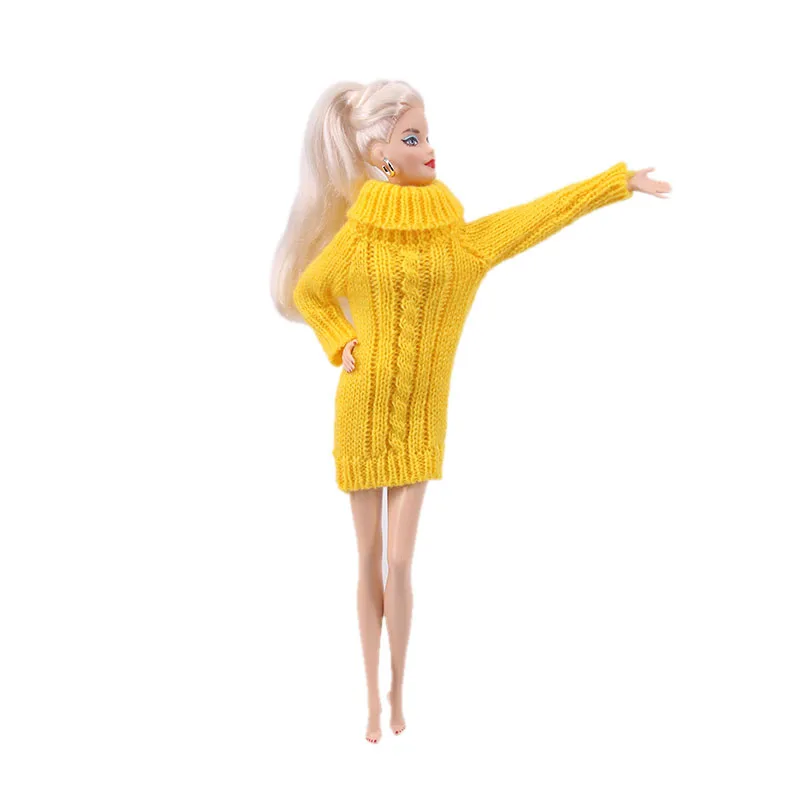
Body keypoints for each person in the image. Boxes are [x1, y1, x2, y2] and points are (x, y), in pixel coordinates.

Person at [271, 79, 672, 744]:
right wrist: (340, 341)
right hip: (361, 414)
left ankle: (398, 692)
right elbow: (309, 291)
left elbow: (536, 218)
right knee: (367, 558)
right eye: (412, 137)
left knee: (401, 564)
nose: (429, 148)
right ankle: (370, 699)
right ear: (377, 154)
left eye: (427, 134)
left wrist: (617, 184)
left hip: (421, 421)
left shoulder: (461, 244)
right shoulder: (356, 241)